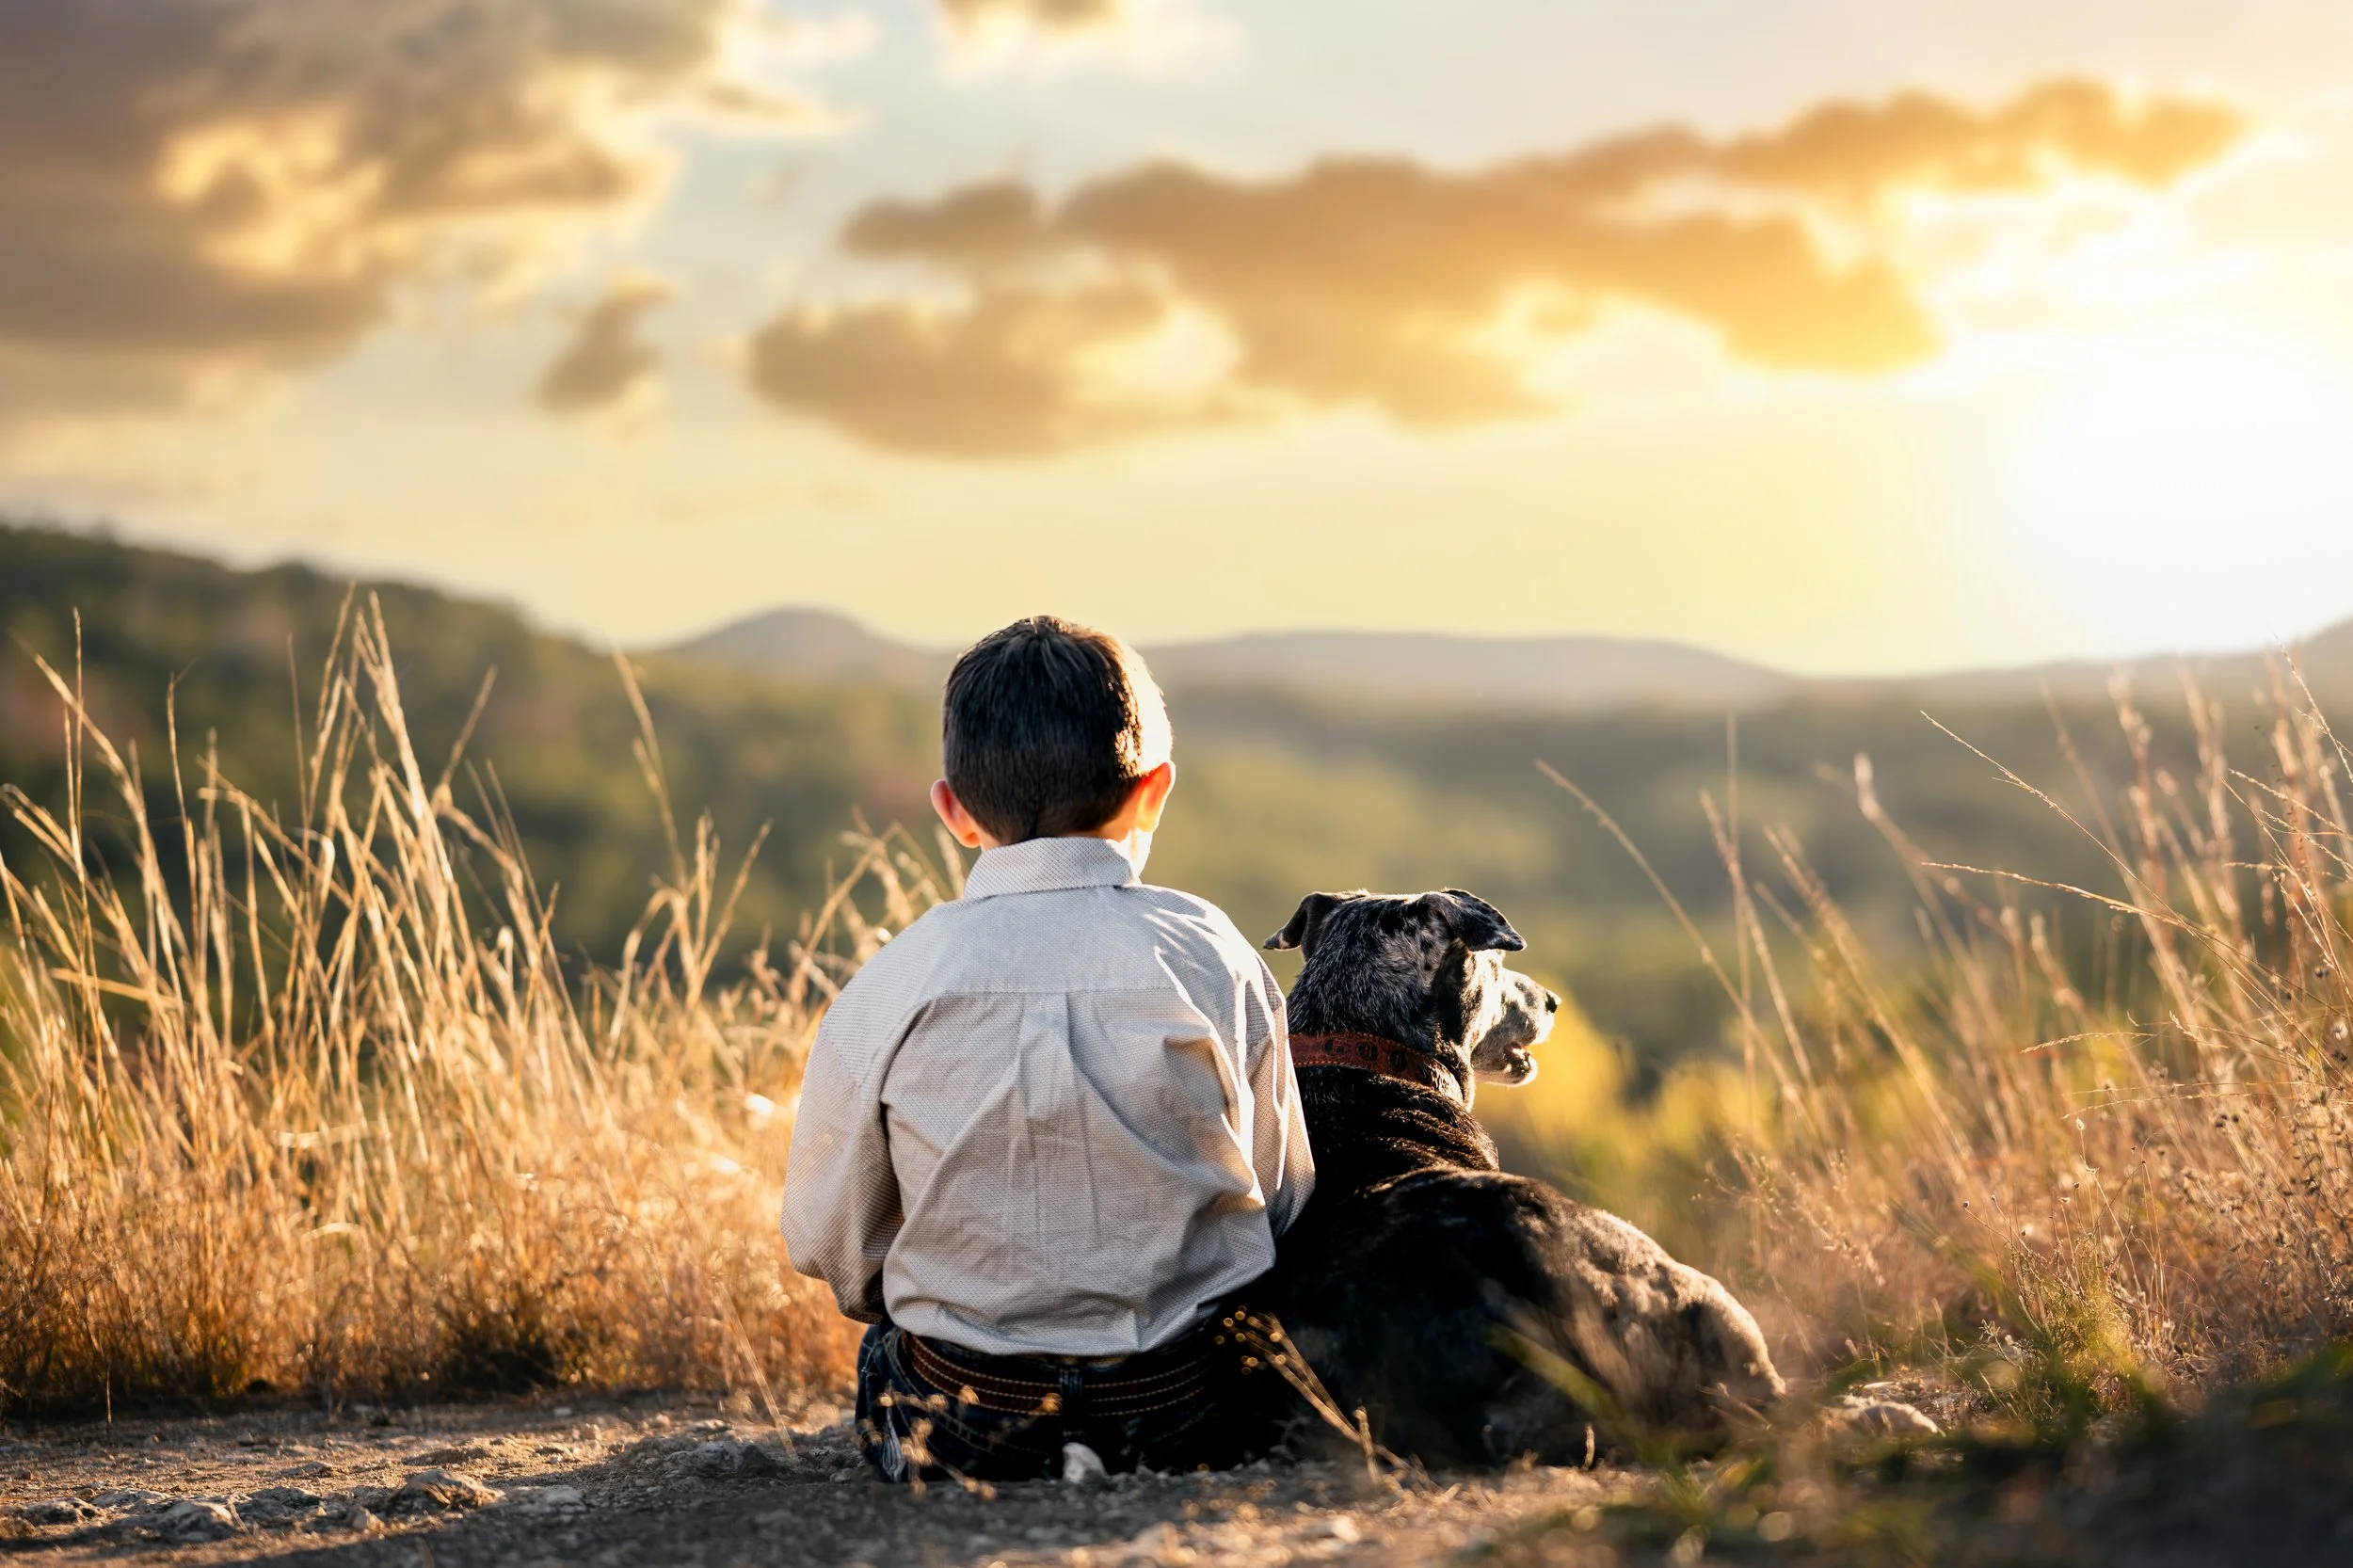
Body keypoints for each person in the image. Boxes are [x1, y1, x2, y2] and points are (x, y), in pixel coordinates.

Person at [782, 616, 1315, 1483]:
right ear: (1155, 792)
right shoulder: (1211, 953)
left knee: (887, 1342)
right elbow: (1283, 1197)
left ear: (952, 811)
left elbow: (831, 1246)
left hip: (964, 1417)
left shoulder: (893, 981)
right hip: (1184, 1408)